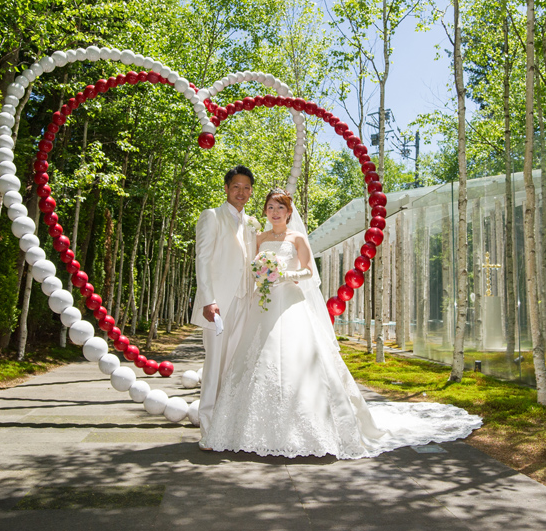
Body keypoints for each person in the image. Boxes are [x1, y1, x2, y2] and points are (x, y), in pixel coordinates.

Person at [204, 189, 483, 459]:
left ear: (289, 212)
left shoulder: (297, 238)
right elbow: (250, 269)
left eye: (281, 208)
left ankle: (310, 426)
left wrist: (285, 274)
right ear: (265, 211)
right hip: (263, 307)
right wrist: (262, 275)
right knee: (256, 359)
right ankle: (248, 430)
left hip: (290, 302)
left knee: (295, 357)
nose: (275, 212)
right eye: (271, 207)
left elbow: (309, 273)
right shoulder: (259, 237)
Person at [190, 166, 260, 450]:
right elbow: (202, 259)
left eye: (246, 188)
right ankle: (207, 431)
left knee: (235, 367)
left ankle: (228, 428)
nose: (241, 192)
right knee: (215, 367)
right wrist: (208, 299)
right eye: (236, 187)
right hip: (218, 305)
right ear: (227, 188)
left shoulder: (252, 223)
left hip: (246, 301)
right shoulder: (212, 216)